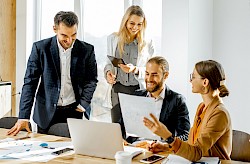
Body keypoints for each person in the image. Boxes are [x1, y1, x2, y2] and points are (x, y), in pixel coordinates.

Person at [8, 11, 98, 135]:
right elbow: (30, 83)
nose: (69, 40)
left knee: (71, 152)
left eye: (73, 34)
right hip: (46, 112)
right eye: (64, 35)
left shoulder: (87, 50)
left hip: (74, 111)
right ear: (55, 29)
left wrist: (83, 104)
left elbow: (91, 80)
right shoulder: (40, 48)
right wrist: (24, 116)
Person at [143, 60, 232, 161]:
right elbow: (191, 145)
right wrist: (165, 147)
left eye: (193, 77)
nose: (190, 81)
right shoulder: (202, 107)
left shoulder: (219, 113)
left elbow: (196, 153)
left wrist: (167, 136)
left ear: (205, 82)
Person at [103, 5, 154, 137]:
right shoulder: (113, 39)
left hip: (137, 90)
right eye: (132, 23)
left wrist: (135, 69)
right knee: (117, 130)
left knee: (136, 131)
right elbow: (109, 63)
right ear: (125, 21)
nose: (135, 27)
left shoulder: (147, 43)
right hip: (117, 89)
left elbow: (152, 70)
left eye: (139, 24)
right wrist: (108, 73)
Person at [124, 56, 190, 143]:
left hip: (160, 149)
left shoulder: (177, 100)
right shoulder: (136, 95)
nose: (149, 79)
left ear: (165, 76)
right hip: (134, 147)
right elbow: (121, 126)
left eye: (154, 75)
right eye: (147, 74)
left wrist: (164, 143)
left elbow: (185, 136)